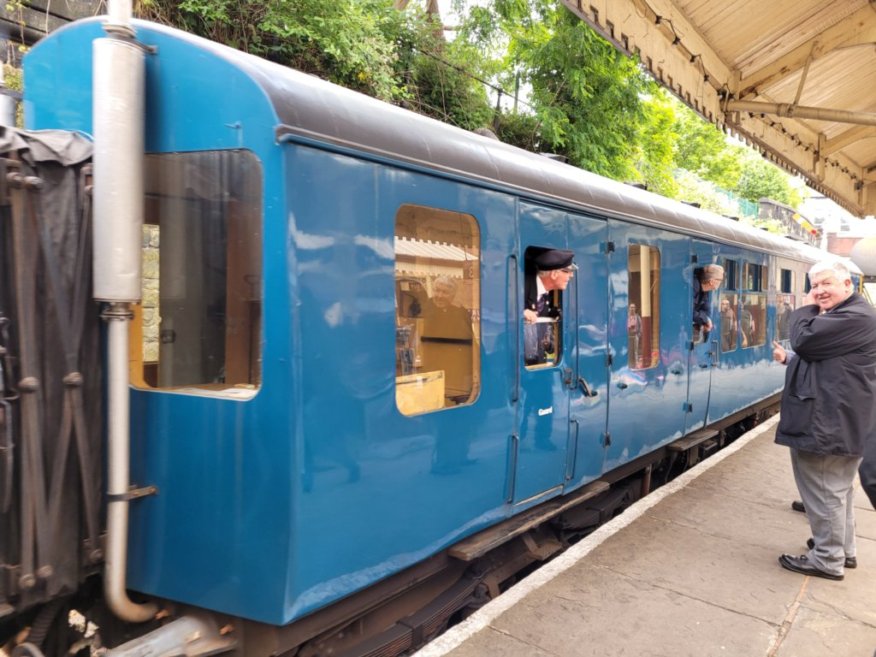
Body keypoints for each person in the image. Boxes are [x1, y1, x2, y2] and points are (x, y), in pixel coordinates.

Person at [771, 259, 876, 581]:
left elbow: (806, 342)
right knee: (838, 490)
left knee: (824, 489)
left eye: (826, 283)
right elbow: (824, 358)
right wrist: (789, 358)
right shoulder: (854, 316)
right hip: (841, 419)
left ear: (848, 285)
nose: (818, 291)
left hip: (827, 423)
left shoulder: (854, 317)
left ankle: (827, 559)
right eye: (814, 286)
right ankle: (843, 550)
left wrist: (805, 309)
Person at [523, 248, 576, 365]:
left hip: (537, 364)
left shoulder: (547, 296)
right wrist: (521, 313)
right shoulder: (523, 286)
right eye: (567, 271)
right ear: (554, 274)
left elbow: (549, 342)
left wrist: (548, 343)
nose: (571, 275)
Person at [692, 264, 724, 342]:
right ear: (711, 281)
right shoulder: (694, 287)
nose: (721, 283)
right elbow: (688, 311)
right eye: (720, 280)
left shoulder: (704, 292)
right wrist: (705, 320)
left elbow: (706, 309)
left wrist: (706, 320)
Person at [627, 302, 643, 367]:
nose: (632, 309)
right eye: (631, 307)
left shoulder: (637, 317)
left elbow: (641, 326)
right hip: (628, 336)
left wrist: (638, 335)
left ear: (635, 308)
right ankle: (629, 364)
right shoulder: (626, 317)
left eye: (633, 307)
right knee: (628, 350)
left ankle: (636, 364)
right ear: (629, 308)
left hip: (635, 335)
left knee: (635, 351)